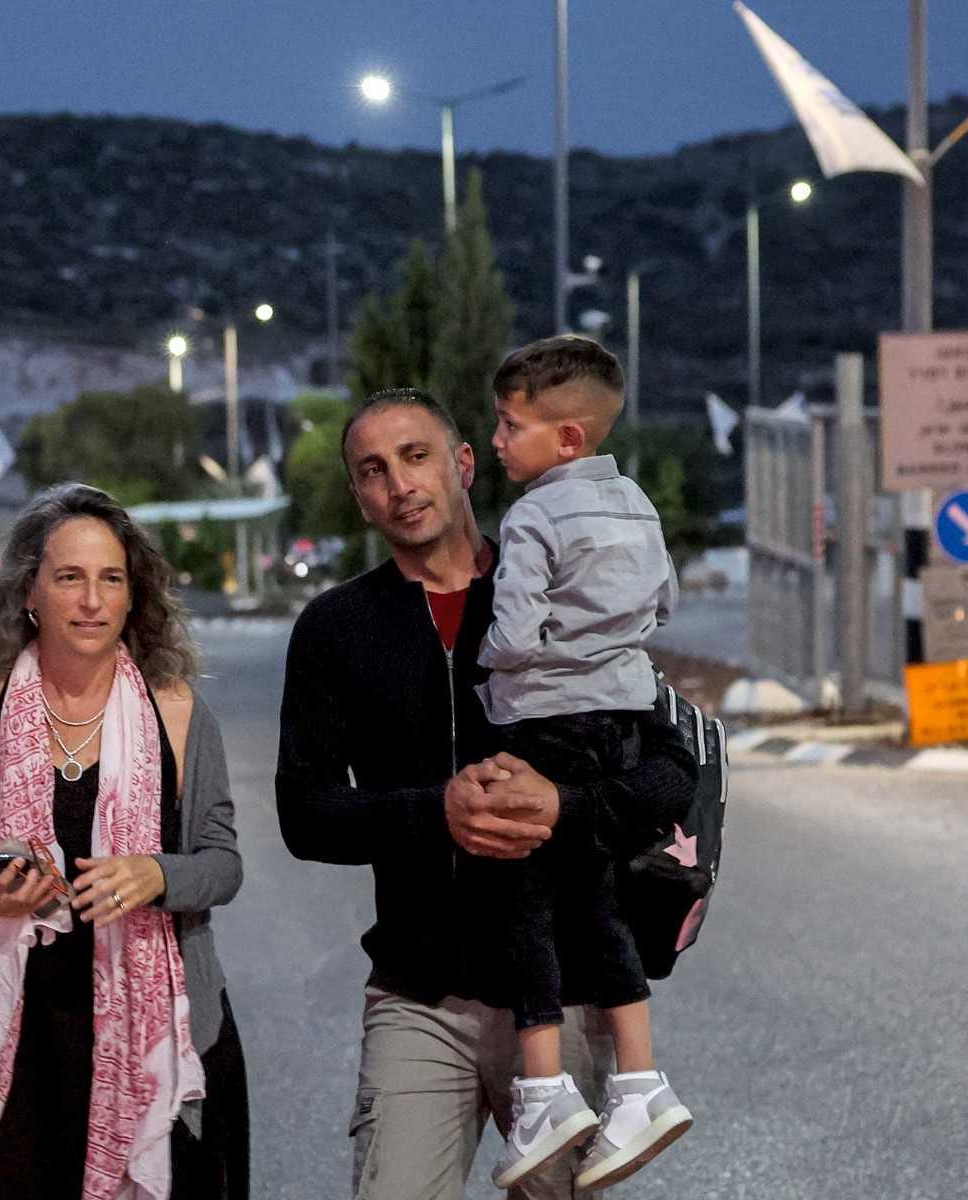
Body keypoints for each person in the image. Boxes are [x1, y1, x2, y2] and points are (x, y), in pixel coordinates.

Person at [276, 386, 698, 1200]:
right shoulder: (335, 628)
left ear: (463, 463)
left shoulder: (562, 593)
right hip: (419, 996)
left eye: (416, 456)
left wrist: (566, 808)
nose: (399, 484)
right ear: (359, 495)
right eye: (373, 470)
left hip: (565, 993)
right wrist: (435, 811)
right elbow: (306, 813)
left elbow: (670, 771)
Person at [0, 482, 248, 1200]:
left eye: (112, 579)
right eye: (70, 577)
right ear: (29, 593)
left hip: (159, 1038)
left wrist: (156, 875)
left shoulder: (177, 711)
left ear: (134, 596)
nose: (93, 601)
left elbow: (223, 864)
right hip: (23, 1046)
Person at [477, 336, 689, 1192]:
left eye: (510, 424)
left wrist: (486, 662)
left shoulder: (532, 516)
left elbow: (516, 633)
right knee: (599, 904)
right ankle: (639, 1083)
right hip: (623, 719)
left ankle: (544, 1092)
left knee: (525, 905)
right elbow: (664, 602)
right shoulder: (635, 502)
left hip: (546, 725)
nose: (496, 439)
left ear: (567, 439)